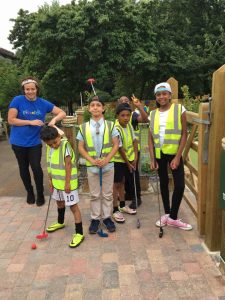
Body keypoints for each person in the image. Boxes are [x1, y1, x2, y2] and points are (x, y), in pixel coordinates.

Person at [8, 77, 66, 206]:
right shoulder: (17, 100)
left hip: (34, 142)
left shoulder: (43, 103)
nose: (30, 91)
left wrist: (54, 120)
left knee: (36, 167)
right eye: (27, 89)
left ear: (37, 89)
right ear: (24, 90)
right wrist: (30, 122)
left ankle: (40, 193)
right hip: (18, 142)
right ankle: (30, 192)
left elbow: (62, 112)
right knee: (23, 168)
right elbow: (11, 120)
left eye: (32, 89)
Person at [148, 82, 192, 230]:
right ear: (156, 96)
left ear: (170, 95)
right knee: (163, 183)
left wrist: (178, 157)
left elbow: (184, 134)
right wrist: (152, 158)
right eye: (158, 94)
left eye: (164, 93)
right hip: (160, 154)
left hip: (174, 154)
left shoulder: (180, 109)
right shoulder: (153, 113)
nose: (162, 97)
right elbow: (150, 137)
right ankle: (167, 213)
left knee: (179, 185)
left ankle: (173, 217)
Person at [77, 95, 119, 234]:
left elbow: (116, 144)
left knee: (107, 194)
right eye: (92, 105)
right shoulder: (83, 127)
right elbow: (81, 147)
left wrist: (106, 159)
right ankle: (95, 219)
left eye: (98, 105)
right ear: (89, 109)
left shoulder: (110, 125)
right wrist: (91, 159)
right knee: (94, 194)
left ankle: (107, 217)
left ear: (103, 108)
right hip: (92, 166)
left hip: (108, 165)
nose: (95, 107)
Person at [40, 125, 84, 248]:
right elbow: (49, 163)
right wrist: (50, 179)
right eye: (50, 144)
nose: (54, 145)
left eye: (55, 142)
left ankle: (79, 233)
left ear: (59, 136)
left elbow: (68, 164)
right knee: (59, 203)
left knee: (73, 207)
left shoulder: (65, 145)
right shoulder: (49, 148)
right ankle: (60, 222)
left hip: (67, 184)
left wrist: (67, 183)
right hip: (56, 183)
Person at [118, 95, 148, 207]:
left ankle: (137, 197)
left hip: (134, 151)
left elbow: (145, 120)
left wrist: (139, 106)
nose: (125, 102)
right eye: (122, 101)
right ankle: (129, 194)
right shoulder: (119, 116)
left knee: (133, 174)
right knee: (125, 175)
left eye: (127, 101)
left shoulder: (133, 115)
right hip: (122, 152)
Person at [113, 103, 138, 223]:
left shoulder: (129, 126)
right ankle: (115, 209)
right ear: (117, 116)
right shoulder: (116, 128)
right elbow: (120, 148)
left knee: (122, 182)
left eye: (128, 115)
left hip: (129, 159)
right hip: (118, 160)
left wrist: (136, 158)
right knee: (116, 184)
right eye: (123, 115)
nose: (126, 118)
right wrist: (128, 163)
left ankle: (122, 205)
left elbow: (135, 141)